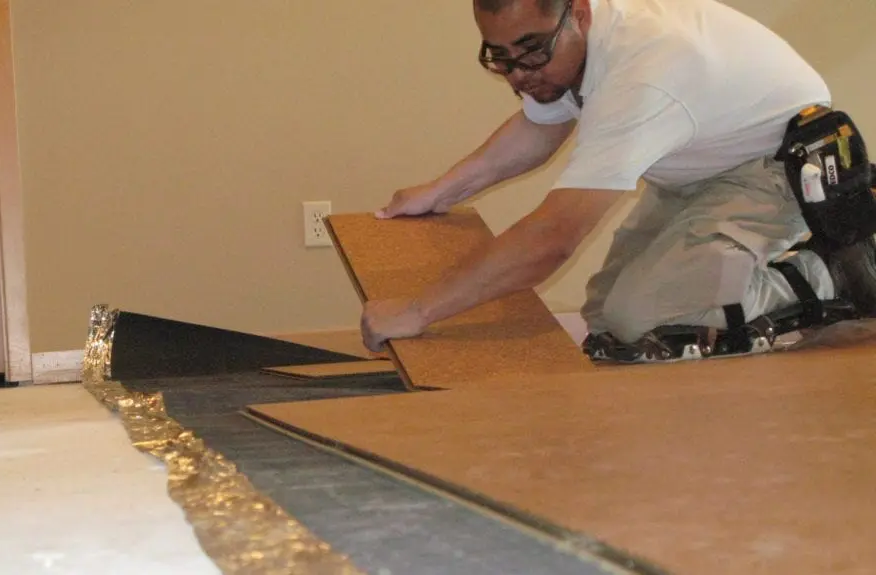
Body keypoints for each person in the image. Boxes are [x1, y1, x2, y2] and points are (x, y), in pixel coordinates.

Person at [358, 0, 876, 360]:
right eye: (501, 56)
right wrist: (438, 192)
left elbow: (554, 239)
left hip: (772, 168)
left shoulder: (642, 74)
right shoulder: (578, 46)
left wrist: (418, 310)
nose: (518, 75)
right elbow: (540, 129)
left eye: (531, 50)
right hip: (697, 168)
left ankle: (830, 272)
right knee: (605, 314)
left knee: (644, 317)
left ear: (578, 14)